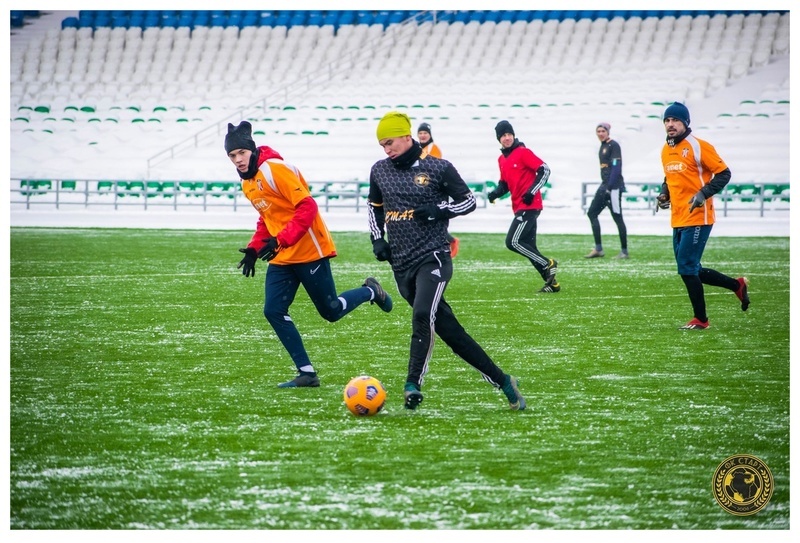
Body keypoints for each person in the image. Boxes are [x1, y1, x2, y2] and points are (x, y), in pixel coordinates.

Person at [367, 111, 526, 411]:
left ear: (406, 136)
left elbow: (468, 201)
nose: (386, 150)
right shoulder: (379, 171)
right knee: (453, 335)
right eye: (382, 145)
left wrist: (437, 210)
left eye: (389, 142)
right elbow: (374, 207)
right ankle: (504, 381)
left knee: (422, 315)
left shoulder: (438, 168)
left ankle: (412, 384)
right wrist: (377, 239)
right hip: (401, 266)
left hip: (434, 258)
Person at [226, 121, 393, 388]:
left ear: (251, 149)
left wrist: (280, 240)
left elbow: (307, 207)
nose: (237, 160)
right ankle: (307, 373)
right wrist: (254, 248)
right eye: (232, 156)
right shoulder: (248, 183)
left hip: (308, 250)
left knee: (331, 311)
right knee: (273, 310)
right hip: (282, 255)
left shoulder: (274, 170)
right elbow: (266, 218)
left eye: (241, 154)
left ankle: (371, 291)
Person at [657, 102, 750, 330]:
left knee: (686, 268)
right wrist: (663, 194)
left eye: (675, 120)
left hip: (700, 216)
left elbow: (724, 173)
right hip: (678, 217)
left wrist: (703, 193)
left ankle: (701, 319)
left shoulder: (699, 146)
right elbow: (669, 178)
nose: (670, 124)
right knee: (691, 268)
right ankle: (736, 285)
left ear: (685, 122)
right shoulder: (665, 149)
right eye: (667, 120)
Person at [487, 120, 559, 293]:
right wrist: (495, 193)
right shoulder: (501, 159)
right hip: (518, 207)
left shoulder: (523, 152)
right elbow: (504, 183)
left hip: (530, 206)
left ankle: (547, 264)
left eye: (509, 134)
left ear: (513, 135)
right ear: (499, 139)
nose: (507, 138)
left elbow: (545, 169)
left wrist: (532, 191)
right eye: (503, 135)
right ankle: (552, 284)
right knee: (529, 246)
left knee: (513, 242)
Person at [585, 122, 629, 259]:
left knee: (617, 217)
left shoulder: (613, 145)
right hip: (604, 185)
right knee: (592, 213)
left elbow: (616, 167)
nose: (600, 133)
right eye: (598, 131)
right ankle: (598, 249)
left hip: (613, 187)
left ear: (608, 132)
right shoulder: (602, 146)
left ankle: (624, 251)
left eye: (603, 131)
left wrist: (610, 187)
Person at [418, 122, 459, 258]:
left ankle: (450, 241)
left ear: (429, 135)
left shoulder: (433, 149)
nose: (423, 135)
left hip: (432, 187)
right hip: (420, 187)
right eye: (420, 133)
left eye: (425, 133)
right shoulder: (418, 148)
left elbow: (433, 168)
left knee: (434, 218)